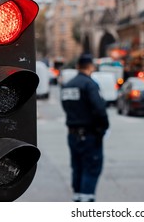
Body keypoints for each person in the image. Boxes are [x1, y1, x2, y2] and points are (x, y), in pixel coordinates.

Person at [61, 53, 109, 202]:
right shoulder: (89, 84)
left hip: (72, 134)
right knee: (91, 168)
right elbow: (99, 109)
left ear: (77, 67)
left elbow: (66, 106)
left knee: (77, 167)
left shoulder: (68, 85)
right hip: (89, 135)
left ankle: (77, 198)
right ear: (91, 67)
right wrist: (103, 128)